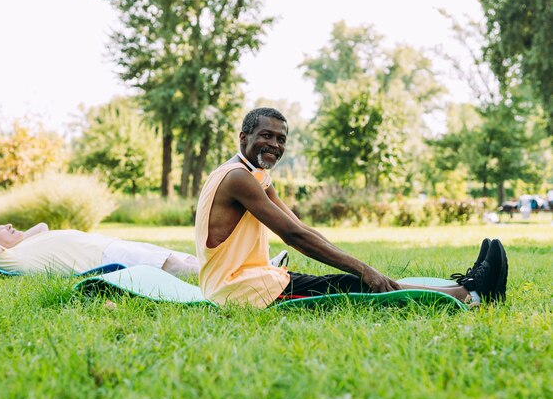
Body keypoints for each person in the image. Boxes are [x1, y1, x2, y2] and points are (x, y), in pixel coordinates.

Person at [195, 107, 508, 308]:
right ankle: (473, 296)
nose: (275, 145)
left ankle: (463, 288)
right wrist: (363, 268)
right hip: (238, 293)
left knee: (354, 282)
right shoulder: (238, 178)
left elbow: (301, 227)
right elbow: (293, 236)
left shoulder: (254, 174)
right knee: (357, 287)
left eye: (281, 139)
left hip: (252, 280)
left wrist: (354, 262)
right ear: (243, 137)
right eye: (266, 135)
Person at [0, 223, 200, 278]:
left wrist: (18, 237)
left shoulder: (24, 244)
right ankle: (227, 281)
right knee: (175, 266)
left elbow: (42, 226)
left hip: (112, 244)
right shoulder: (10, 258)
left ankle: (230, 270)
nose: (8, 225)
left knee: (184, 257)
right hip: (105, 256)